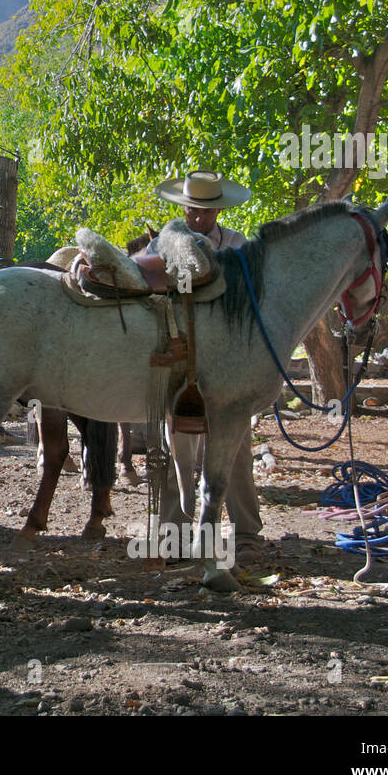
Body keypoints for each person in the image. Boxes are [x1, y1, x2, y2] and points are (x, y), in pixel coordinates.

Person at [149, 171, 263, 566]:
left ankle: (247, 533)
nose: (200, 217)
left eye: (207, 211)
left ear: (218, 210)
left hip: (228, 362)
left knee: (236, 449)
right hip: (181, 360)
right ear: (183, 207)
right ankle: (175, 534)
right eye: (194, 210)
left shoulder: (237, 247)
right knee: (175, 446)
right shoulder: (163, 244)